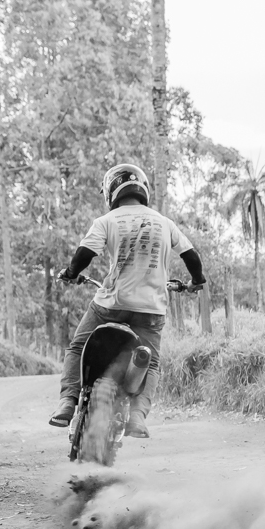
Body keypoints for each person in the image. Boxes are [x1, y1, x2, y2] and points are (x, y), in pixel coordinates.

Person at [48, 164, 206, 439]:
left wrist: (72, 273)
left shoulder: (107, 221)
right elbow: (191, 256)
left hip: (110, 307)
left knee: (76, 348)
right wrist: (196, 282)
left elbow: (85, 252)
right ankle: (137, 416)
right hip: (150, 312)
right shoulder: (164, 223)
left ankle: (68, 401)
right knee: (151, 363)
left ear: (111, 191)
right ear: (142, 190)